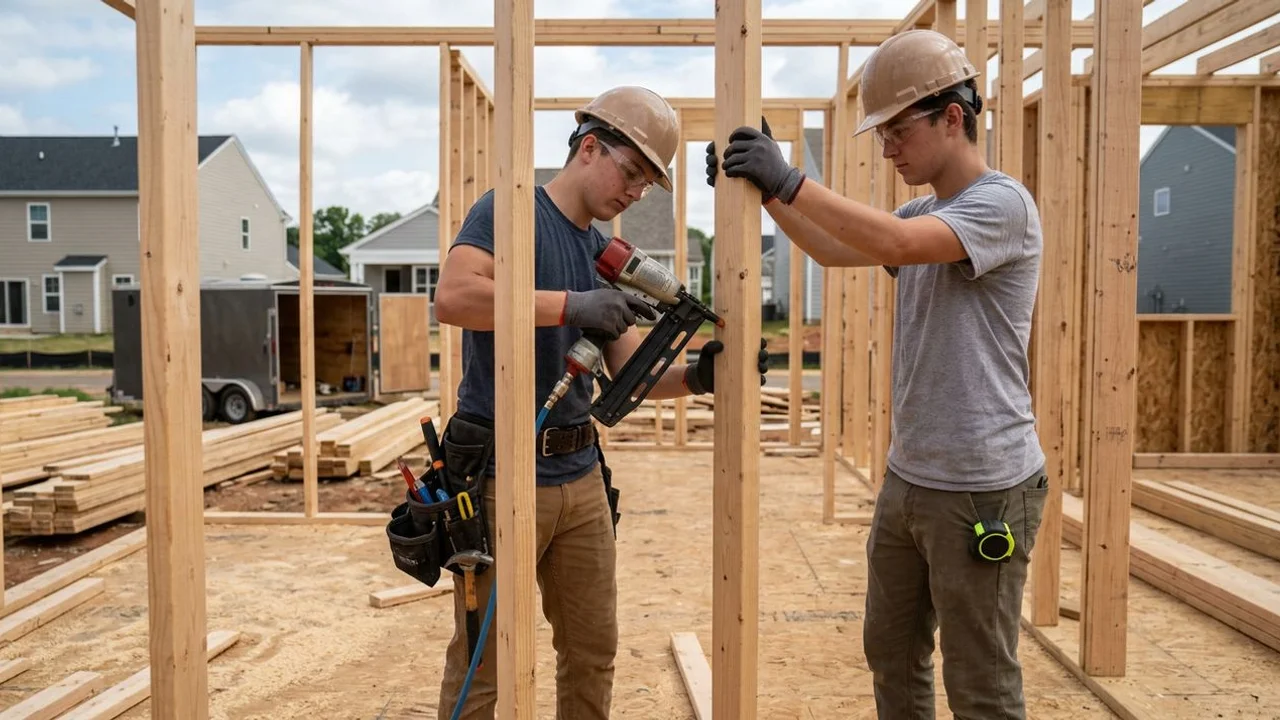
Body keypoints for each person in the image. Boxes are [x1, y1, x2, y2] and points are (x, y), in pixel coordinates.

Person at [705, 29, 1048, 720]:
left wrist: (790, 177)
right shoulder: (925, 209)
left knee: (980, 682)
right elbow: (839, 249)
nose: (887, 146)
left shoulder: (1001, 206)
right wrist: (766, 194)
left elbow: (891, 243)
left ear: (953, 117)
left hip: (982, 486)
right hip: (911, 478)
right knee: (891, 652)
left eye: (897, 129)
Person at [432, 85, 769, 720]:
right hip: (504, 471)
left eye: (647, 183)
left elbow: (626, 374)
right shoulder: (509, 211)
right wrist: (572, 305)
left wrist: (702, 376)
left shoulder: (598, 251)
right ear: (590, 147)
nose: (636, 192)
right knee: (486, 661)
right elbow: (453, 296)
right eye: (633, 172)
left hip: (580, 475)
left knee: (592, 652)